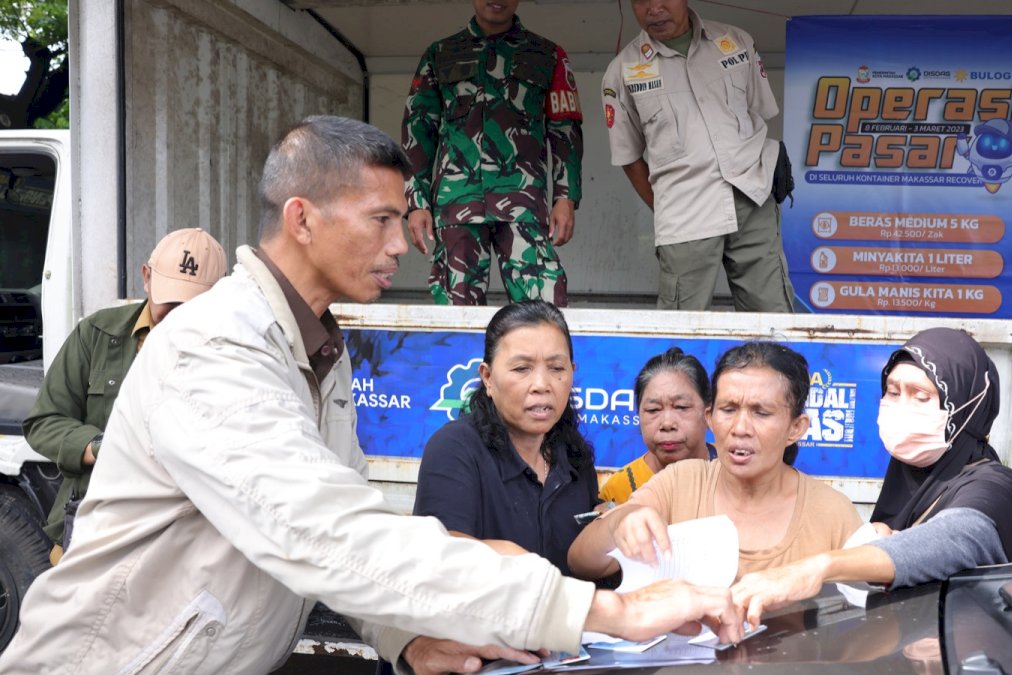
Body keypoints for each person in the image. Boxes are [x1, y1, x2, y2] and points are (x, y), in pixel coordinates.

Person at [0, 116, 742, 675]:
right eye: (381, 219)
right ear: (303, 217)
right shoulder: (215, 344)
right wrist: (604, 609)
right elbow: (323, 532)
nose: (400, 243)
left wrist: (403, 636)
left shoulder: (318, 346)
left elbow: (341, 523)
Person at [731, 328, 1012, 626]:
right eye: (893, 391)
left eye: (921, 396)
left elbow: (956, 537)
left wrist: (820, 567)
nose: (901, 406)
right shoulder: (906, 480)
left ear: (965, 408)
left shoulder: (995, 485)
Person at [569, 342, 862, 581]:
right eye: (729, 409)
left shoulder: (832, 512)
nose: (740, 427)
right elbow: (582, 562)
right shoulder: (680, 483)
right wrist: (618, 522)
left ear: (796, 428)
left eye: (761, 412)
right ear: (710, 418)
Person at [23, 227, 226, 563]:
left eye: (191, 305)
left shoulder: (233, 353)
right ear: (147, 278)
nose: (177, 315)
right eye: (170, 300)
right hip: (95, 527)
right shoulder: (98, 334)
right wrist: (102, 447)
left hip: (185, 543)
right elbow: (44, 422)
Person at [602, 0, 794, 312]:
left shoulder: (735, 42)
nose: (654, 8)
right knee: (682, 327)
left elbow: (760, 112)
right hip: (685, 214)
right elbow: (628, 157)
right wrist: (665, 205)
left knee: (770, 317)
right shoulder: (622, 71)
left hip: (752, 197)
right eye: (640, 0)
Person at [402, 0, 583, 307]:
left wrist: (565, 197)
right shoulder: (440, 54)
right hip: (456, 202)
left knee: (542, 309)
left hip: (522, 201)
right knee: (456, 312)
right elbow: (418, 129)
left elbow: (565, 128)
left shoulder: (547, 54)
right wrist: (415, 202)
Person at [414, 300, 598, 576]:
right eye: (522, 368)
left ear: (572, 371)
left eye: (556, 368)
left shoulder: (574, 456)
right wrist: (518, 562)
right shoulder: (454, 448)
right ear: (488, 377)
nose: (542, 385)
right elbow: (442, 556)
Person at [598, 346, 714, 504]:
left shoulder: (734, 472)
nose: (667, 423)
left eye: (681, 407)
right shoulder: (618, 492)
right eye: (653, 410)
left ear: (708, 413)